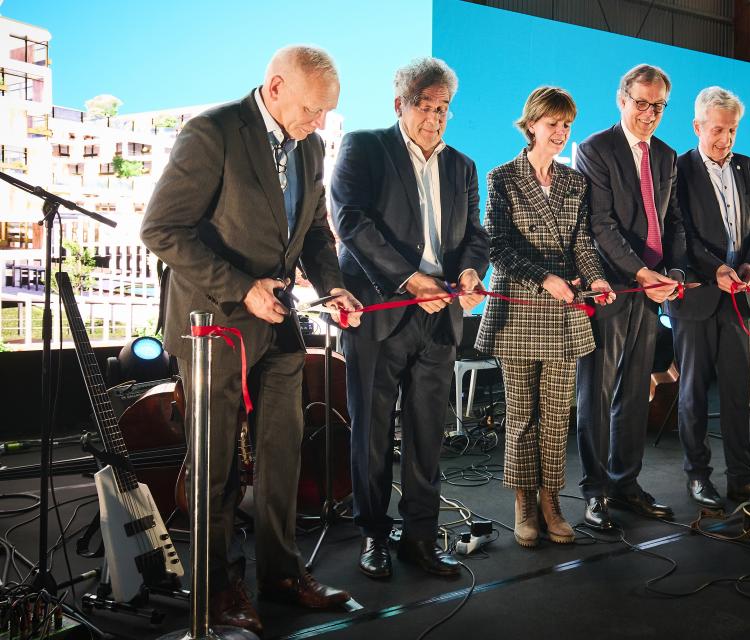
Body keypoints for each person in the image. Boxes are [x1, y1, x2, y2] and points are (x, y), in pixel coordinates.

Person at [141, 46, 361, 636]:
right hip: (214, 325)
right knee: (215, 468)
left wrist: (333, 286)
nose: (320, 124)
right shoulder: (212, 132)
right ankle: (217, 590)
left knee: (284, 452)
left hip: (280, 321)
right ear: (277, 85)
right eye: (314, 110)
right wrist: (242, 289)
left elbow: (315, 230)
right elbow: (162, 229)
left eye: (327, 114)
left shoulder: (310, 144)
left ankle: (281, 574)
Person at [330, 57, 489, 580]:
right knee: (372, 434)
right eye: (426, 107)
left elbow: (476, 237)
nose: (436, 118)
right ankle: (373, 535)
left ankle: (420, 537)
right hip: (381, 314)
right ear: (400, 105)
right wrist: (407, 280)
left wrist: (468, 273)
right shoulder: (365, 146)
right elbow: (350, 219)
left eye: (444, 108)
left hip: (441, 320)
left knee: (428, 435)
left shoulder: (462, 166)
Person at [474, 87, 613, 547]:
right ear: (530, 124)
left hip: (565, 313)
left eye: (567, 125)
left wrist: (595, 280)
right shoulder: (502, 178)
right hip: (520, 311)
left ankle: (552, 500)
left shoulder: (575, 182)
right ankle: (523, 503)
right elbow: (498, 249)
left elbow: (582, 245)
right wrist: (545, 279)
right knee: (521, 417)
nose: (561, 132)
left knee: (557, 417)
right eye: (553, 123)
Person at [574, 64, 685, 531]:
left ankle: (626, 483)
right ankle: (596, 492)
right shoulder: (595, 149)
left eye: (658, 105)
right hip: (612, 288)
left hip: (652, 289)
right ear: (621, 100)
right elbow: (600, 224)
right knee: (597, 393)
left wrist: (673, 272)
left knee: (636, 391)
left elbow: (674, 221)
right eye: (641, 103)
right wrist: (642, 271)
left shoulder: (666, 155)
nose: (650, 113)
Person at [664, 86, 750, 508]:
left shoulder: (749, 169)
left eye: (731, 130)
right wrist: (716, 270)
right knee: (692, 392)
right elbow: (680, 234)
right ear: (696, 126)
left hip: (738, 299)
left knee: (738, 392)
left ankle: (742, 477)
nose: (725, 139)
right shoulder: (678, 169)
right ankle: (697, 476)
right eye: (716, 130)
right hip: (695, 298)